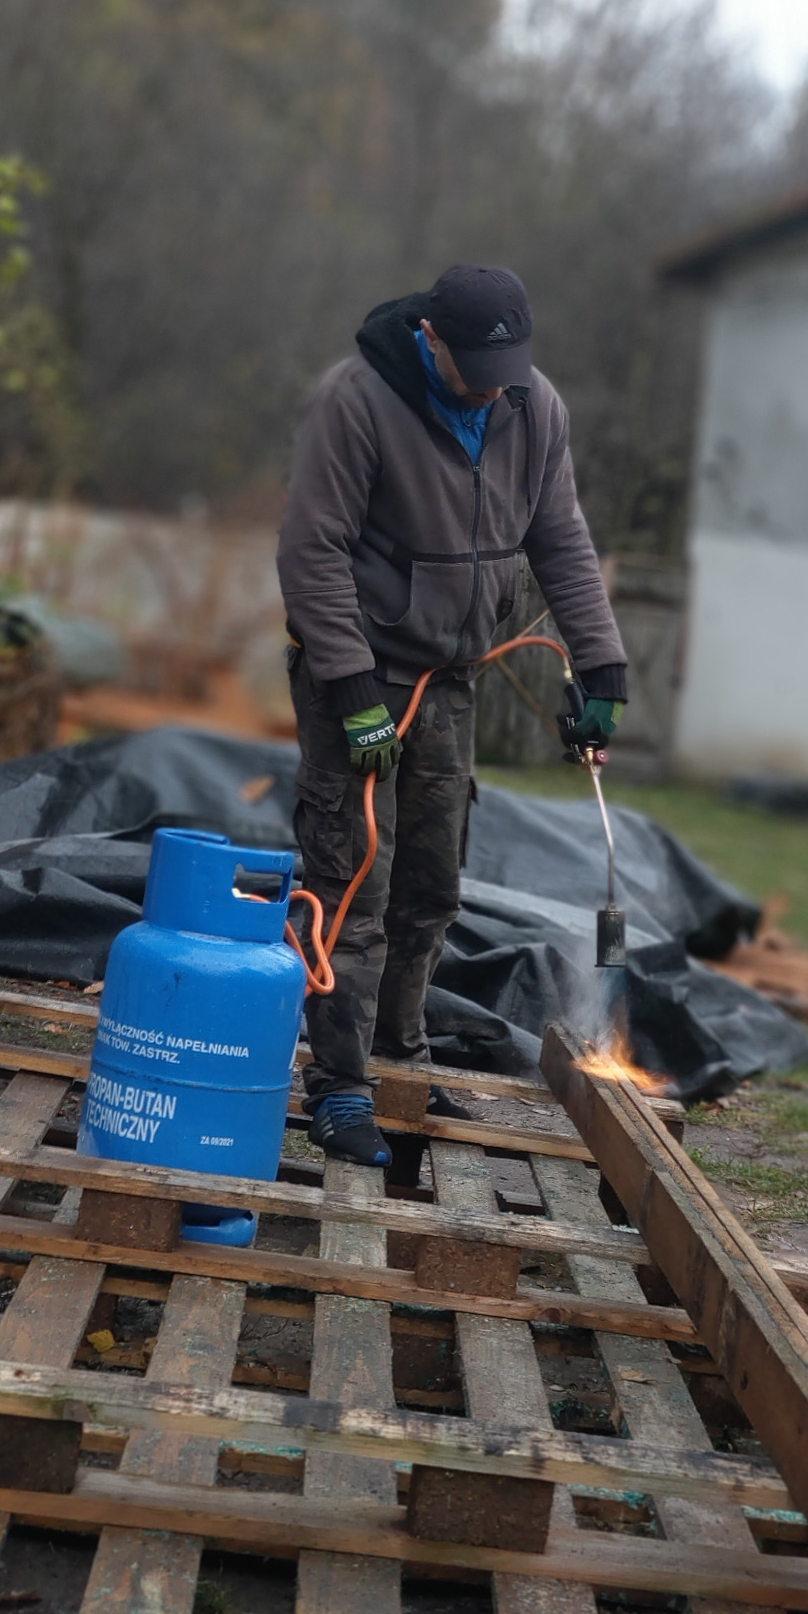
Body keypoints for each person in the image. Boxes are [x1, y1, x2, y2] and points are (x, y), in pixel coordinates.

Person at [277, 263, 629, 1164]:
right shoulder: (357, 400)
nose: (491, 380)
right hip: (360, 675)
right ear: (431, 338)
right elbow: (311, 549)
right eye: (475, 361)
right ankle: (341, 1087)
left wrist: (602, 665)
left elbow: (562, 537)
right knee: (354, 879)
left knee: (432, 888)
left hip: (451, 679)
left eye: (505, 362)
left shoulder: (529, 404)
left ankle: (400, 1062)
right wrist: (352, 690)